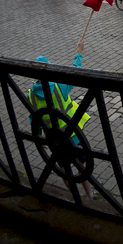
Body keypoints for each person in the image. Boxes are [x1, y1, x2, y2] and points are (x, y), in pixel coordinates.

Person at [29, 40, 94, 199]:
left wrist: (39, 137)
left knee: (63, 168)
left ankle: (74, 196)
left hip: (54, 138)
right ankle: (90, 194)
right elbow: (75, 71)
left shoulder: (31, 94)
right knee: (83, 163)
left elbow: (34, 118)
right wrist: (79, 52)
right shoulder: (59, 86)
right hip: (71, 133)